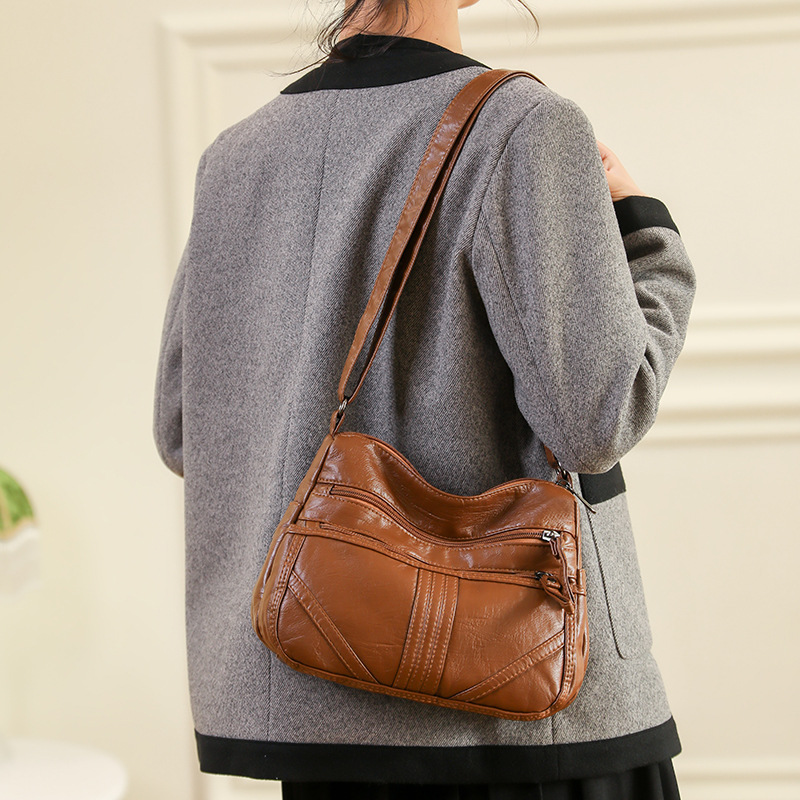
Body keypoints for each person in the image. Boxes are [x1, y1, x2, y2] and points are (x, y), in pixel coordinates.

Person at [153, 0, 696, 797]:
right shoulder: (523, 127)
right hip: (512, 712)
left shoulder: (235, 158)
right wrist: (649, 243)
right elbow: (596, 418)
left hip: (319, 708)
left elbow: (182, 433)